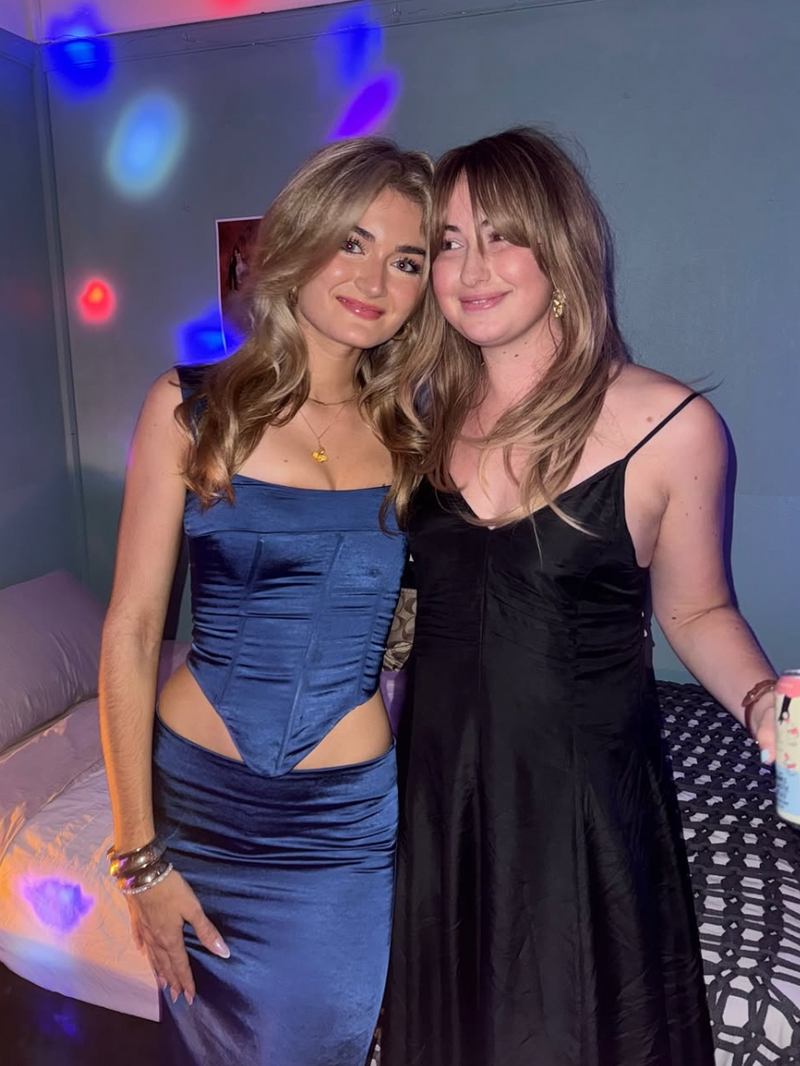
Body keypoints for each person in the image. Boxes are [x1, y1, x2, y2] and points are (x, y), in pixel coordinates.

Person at [382, 126, 778, 1066]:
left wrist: (763, 697)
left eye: (501, 235)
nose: (470, 268)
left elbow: (696, 611)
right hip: (439, 794)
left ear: (559, 249)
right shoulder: (416, 424)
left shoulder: (671, 425)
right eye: (448, 242)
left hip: (580, 803)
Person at [98, 136, 431, 1066]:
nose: (376, 280)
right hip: (198, 808)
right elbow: (132, 630)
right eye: (352, 242)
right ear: (301, 241)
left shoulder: (419, 437)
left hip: (341, 830)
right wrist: (139, 857)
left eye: (407, 260)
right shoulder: (189, 407)